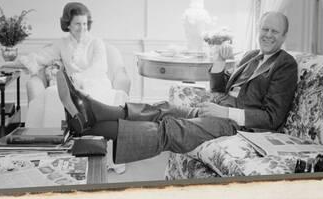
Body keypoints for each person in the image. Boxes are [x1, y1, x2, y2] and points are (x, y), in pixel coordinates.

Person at [56, 11, 298, 164]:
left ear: (284, 36)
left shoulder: (285, 65)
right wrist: (219, 63)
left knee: (171, 128)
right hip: (217, 109)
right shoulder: (253, 55)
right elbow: (220, 90)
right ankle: (91, 113)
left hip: (239, 126)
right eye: (264, 29)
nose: (267, 35)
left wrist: (225, 113)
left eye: (274, 31)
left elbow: (272, 117)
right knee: (162, 109)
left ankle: (87, 120)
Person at [5, 2, 128, 128]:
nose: (82, 28)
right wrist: (5, 65)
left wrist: (75, 79)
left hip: (96, 85)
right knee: (52, 93)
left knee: (65, 95)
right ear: (68, 24)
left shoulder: (97, 43)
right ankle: (53, 138)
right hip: (71, 88)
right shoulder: (61, 44)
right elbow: (39, 58)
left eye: (85, 24)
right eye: (77, 24)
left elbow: (98, 68)